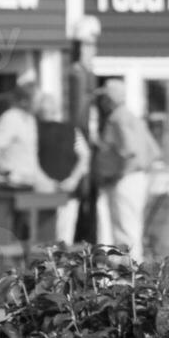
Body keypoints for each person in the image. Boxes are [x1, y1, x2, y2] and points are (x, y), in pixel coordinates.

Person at [94, 78, 161, 260]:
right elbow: (153, 150)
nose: (101, 103)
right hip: (137, 178)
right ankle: (132, 273)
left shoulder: (117, 119)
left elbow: (130, 151)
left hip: (125, 179)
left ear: (110, 99)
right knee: (131, 227)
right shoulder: (131, 116)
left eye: (104, 99)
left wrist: (118, 174)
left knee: (124, 229)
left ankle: (129, 277)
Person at [35, 93, 91, 244]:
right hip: (55, 190)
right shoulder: (71, 130)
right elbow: (85, 156)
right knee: (59, 237)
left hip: (51, 190)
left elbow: (84, 156)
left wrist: (72, 180)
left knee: (50, 237)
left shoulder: (34, 130)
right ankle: (58, 267)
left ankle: (54, 267)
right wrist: (72, 180)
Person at [68, 17, 101, 244]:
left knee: (89, 194)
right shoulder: (77, 73)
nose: (91, 50)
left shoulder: (86, 73)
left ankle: (87, 236)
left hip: (87, 137)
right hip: (80, 138)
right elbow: (79, 114)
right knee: (81, 190)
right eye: (88, 45)